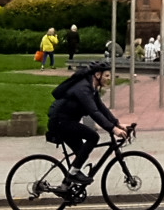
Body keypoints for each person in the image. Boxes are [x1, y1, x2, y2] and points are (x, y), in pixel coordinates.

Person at [47, 61, 128, 189]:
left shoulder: (91, 88)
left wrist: (117, 123)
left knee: (81, 153)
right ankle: (72, 175)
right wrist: (113, 129)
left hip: (67, 122)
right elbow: (93, 112)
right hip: (61, 122)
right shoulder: (83, 88)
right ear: (97, 75)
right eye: (107, 76)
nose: (109, 78)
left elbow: (101, 108)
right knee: (93, 137)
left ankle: (66, 186)